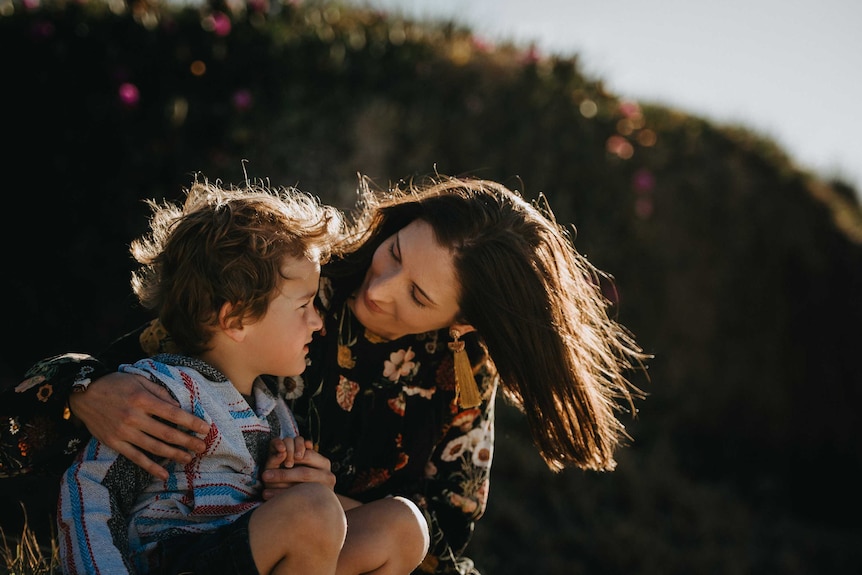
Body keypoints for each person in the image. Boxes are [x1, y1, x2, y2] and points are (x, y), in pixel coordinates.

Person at [3, 174, 647, 575]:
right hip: (201, 542)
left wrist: (332, 499)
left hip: (330, 551)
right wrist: (85, 392)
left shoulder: (462, 374)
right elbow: (55, 406)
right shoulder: (296, 284)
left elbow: (441, 537)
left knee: (400, 525)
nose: (380, 286)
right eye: (394, 252)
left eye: (419, 297)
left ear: (462, 324)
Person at [54, 177, 429, 575]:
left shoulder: (273, 410)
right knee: (314, 513)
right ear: (235, 319)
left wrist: (292, 486)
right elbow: (90, 491)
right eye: (303, 305)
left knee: (404, 525)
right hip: (177, 558)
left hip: (252, 551)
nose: (318, 322)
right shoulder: (166, 393)